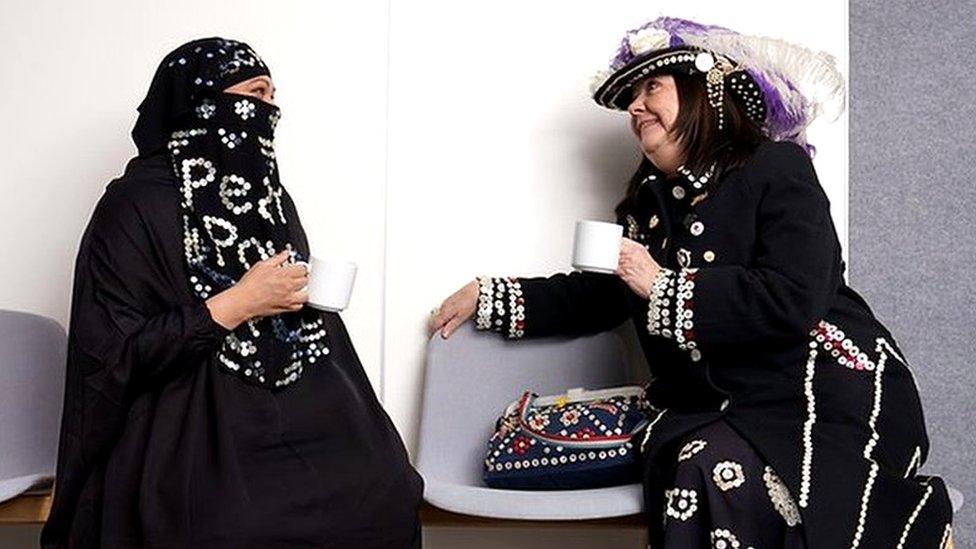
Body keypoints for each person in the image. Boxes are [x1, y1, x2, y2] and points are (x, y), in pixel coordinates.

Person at [430, 17, 953, 549]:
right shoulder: (650, 208)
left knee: (721, 467)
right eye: (632, 95)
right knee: (694, 463)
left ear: (707, 90)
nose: (635, 107)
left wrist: (662, 286)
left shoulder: (777, 168)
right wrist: (491, 295)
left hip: (820, 391)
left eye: (651, 86)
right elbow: (597, 295)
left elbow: (795, 297)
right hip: (719, 405)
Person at [41, 37, 423, 548]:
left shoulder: (272, 200)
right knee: (232, 522)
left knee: (387, 488)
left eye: (272, 98)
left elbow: (296, 322)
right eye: (255, 94)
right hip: (180, 424)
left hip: (292, 405)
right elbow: (111, 357)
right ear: (202, 105)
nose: (268, 112)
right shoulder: (132, 207)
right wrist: (236, 303)